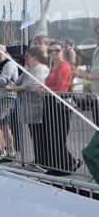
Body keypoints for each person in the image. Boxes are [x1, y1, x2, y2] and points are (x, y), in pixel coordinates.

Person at [41, 42, 77, 173]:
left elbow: (61, 88)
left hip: (61, 105)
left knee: (58, 136)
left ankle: (65, 166)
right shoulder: (53, 67)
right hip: (51, 104)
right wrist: (44, 88)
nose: (54, 53)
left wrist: (43, 89)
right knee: (53, 136)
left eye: (57, 50)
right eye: (51, 51)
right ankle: (68, 163)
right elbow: (48, 84)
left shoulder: (64, 66)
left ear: (62, 51)